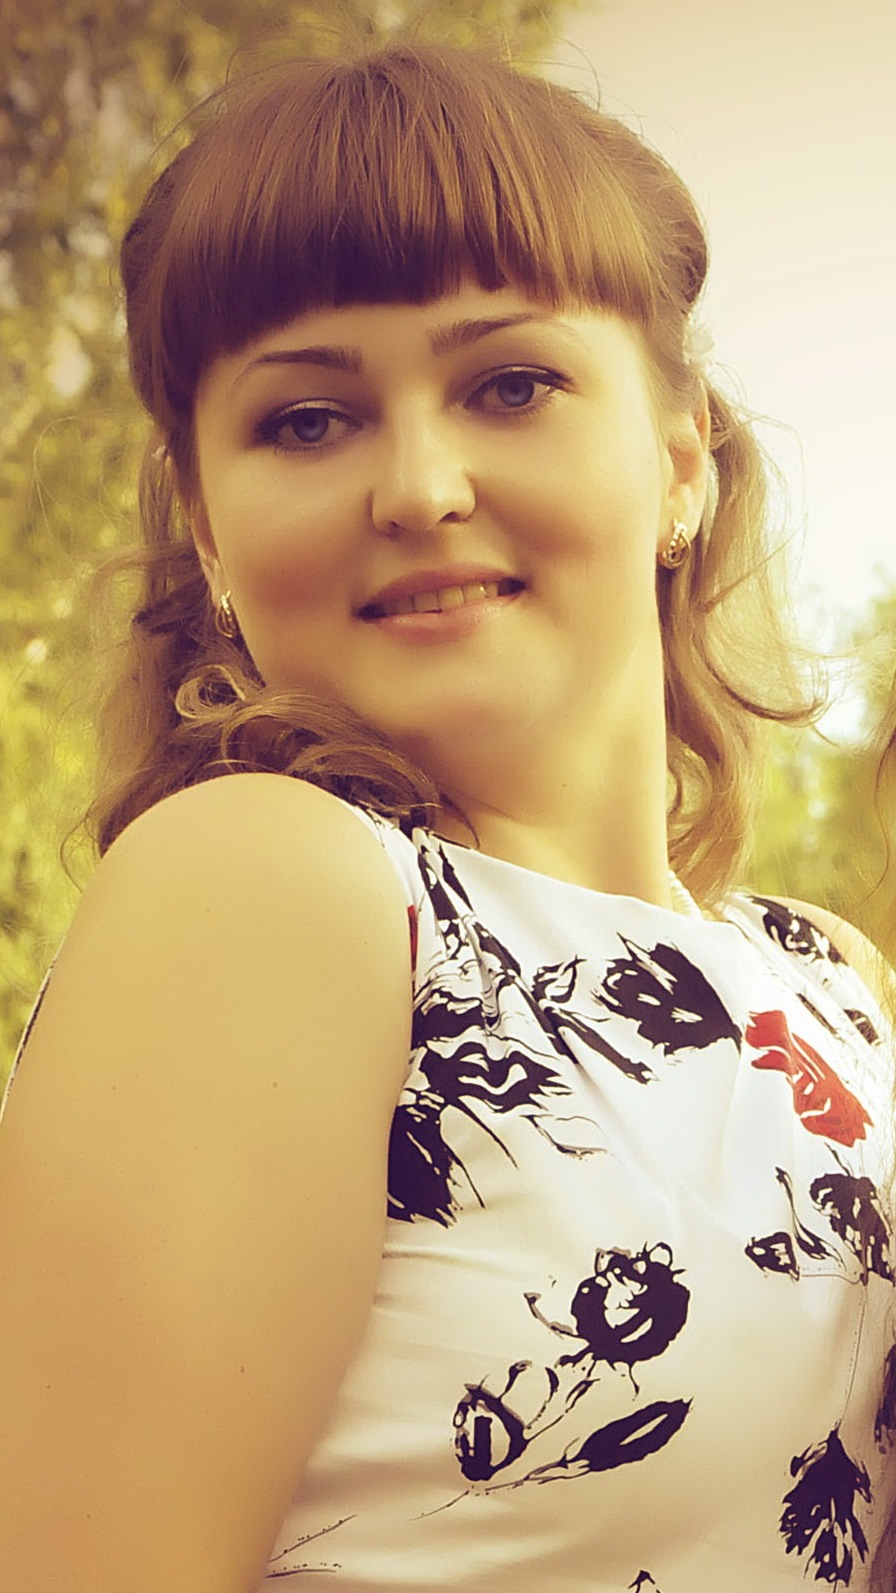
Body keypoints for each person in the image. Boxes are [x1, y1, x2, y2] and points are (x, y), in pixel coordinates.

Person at [0, 36, 893, 1593]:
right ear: (206, 523)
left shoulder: (833, 987)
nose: (418, 486)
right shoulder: (269, 885)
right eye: (306, 419)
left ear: (681, 455)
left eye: (509, 384)